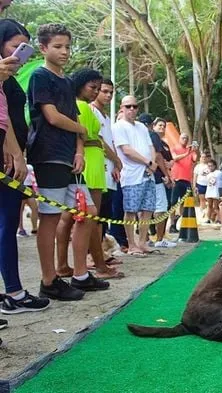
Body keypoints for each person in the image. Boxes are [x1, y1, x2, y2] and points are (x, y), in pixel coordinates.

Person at [28, 24, 109, 300]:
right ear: (43, 48)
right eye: (57, 46)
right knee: (50, 218)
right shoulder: (40, 77)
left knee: (87, 212)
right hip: (48, 154)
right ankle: (49, 280)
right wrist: (82, 132)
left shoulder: (66, 81)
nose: (64, 52)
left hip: (70, 158)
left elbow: (73, 119)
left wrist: (79, 149)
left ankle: (80, 274)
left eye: (67, 46)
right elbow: (51, 116)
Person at [0, 18, 50, 314]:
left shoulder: (9, 79)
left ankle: (14, 291)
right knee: (6, 224)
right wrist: (14, 154)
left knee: (7, 223)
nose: (20, 52)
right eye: (14, 45)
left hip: (11, 153)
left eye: (24, 47)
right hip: (7, 156)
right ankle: (15, 293)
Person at [55, 69, 124, 280]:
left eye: (97, 88)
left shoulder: (79, 106)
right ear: (80, 85)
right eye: (92, 87)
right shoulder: (83, 107)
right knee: (89, 219)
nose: (95, 92)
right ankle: (96, 266)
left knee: (70, 217)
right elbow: (84, 136)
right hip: (90, 161)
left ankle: (65, 265)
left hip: (90, 159)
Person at [112, 95, 157, 256]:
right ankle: (131, 244)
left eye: (135, 106)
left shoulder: (142, 127)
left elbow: (151, 146)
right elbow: (126, 150)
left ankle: (142, 242)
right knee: (130, 210)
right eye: (128, 106)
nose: (132, 109)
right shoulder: (118, 126)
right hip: (131, 175)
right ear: (122, 108)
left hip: (148, 174)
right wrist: (148, 162)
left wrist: (152, 164)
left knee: (147, 209)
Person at [91, 78, 126, 256]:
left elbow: (110, 142)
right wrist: (116, 160)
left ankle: (102, 253)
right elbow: (99, 141)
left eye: (111, 92)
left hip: (110, 173)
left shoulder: (106, 116)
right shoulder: (91, 111)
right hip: (98, 171)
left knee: (104, 216)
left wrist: (116, 164)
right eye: (104, 91)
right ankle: (94, 256)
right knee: (94, 217)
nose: (108, 95)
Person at [145, 116, 176, 247]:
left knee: (146, 208)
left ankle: (147, 239)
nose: (161, 128)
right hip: (156, 177)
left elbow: (168, 160)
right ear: (153, 125)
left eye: (164, 126)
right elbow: (158, 157)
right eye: (159, 125)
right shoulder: (152, 136)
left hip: (148, 175)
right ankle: (158, 239)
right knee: (160, 207)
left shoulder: (162, 142)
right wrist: (165, 174)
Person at [168, 133, 197, 233]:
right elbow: (174, 158)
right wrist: (186, 154)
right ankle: (172, 224)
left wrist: (195, 150)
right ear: (179, 139)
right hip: (176, 178)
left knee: (185, 203)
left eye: (186, 138)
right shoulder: (174, 148)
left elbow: (195, 159)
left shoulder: (190, 150)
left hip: (187, 180)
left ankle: (182, 223)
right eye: (183, 138)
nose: (185, 140)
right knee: (173, 203)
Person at [18, 164, 39, 236]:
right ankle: (21, 228)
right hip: (21, 185)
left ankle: (34, 228)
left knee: (35, 208)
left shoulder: (31, 162)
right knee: (20, 209)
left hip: (29, 187)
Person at [193, 151, 210, 221]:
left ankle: (208, 214)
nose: (203, 158)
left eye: (205, 157)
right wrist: (194, 186)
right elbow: (195, 176)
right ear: (200, 158)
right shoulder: (197, 166)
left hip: (209, 185)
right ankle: (202, 213)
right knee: (202, 200)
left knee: (209, 200)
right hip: (200, 184)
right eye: (202, 157)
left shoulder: (209, 165)